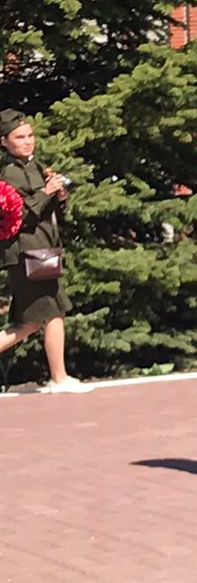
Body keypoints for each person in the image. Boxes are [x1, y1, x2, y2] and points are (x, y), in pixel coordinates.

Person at [0, 109, 90, 393]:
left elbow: (45, 209)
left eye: (30, 136)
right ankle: (59, 378)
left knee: (28, 324)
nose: (27, 142)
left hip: (41, 247)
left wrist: (59, 196)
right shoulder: (9, 172)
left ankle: (60, 378)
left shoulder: (33, 166)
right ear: (4, 142)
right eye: (19, 137)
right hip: (27, 252)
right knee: (53, 311)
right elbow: (19, 215)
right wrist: (47, 192)